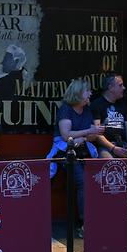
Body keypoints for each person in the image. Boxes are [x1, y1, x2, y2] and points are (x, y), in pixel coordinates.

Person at [47, 78, 104, 236]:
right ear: (79, 93)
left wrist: (88, 135)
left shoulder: (87, 110)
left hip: (84, 149)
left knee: (97, 181)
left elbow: (91, 136)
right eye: (88, 91)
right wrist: (88, 132)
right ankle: (83, 224)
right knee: (82, 182)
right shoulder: (66, 109)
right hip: (67, 152)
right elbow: (66, 136)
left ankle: (97, 220)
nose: (90, 93)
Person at [90, 73, 127, 158]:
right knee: (111, 164)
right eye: (120, 85)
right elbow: (97, 133)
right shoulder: (96, 105)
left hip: (123, 145)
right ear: (110, 87)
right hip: (105, 147)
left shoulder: (123, 104)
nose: (124, 88)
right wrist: (113, 148)